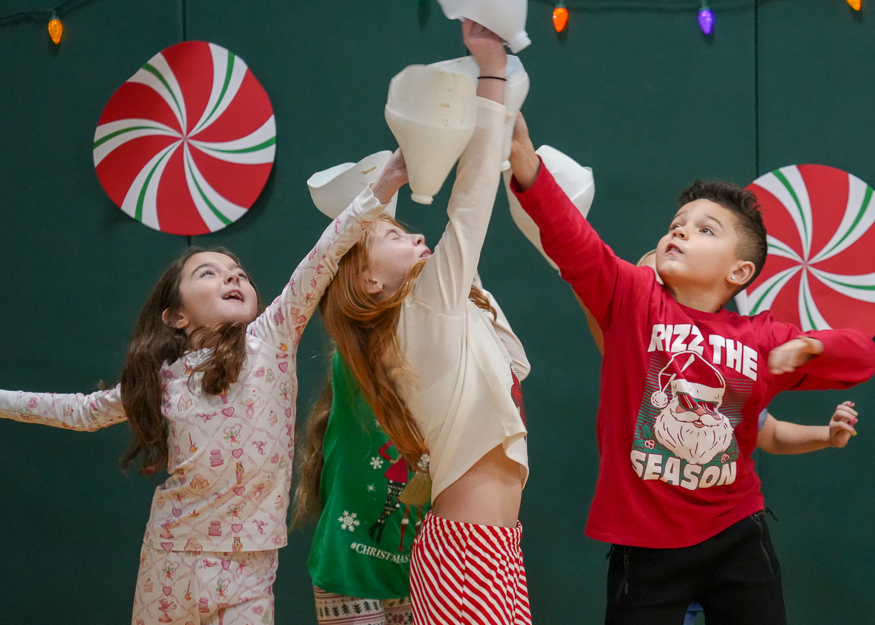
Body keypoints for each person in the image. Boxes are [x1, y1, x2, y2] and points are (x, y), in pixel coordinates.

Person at [508, 114, 875, 625]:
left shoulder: (763, 338)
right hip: (646, 548)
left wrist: (810, 345)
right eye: (676, 224)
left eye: (705, 229)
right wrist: (526, 164)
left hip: (738, 536)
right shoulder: (634, 299)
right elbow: (575, 242)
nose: (680, 230)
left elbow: (862, 355)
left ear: (739, 271)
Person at [0, 165, 403, 624]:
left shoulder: (273, 337)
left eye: (239, 274)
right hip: (172, 559)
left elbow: (326, 254)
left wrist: (383, 186)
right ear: (176, 316)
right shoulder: (163, 380)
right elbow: (82, 411)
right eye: (209, 273)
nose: (232, 278)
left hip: (252, 565)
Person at [319, 21, 532, 625]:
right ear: (367, 283)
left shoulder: (447, 310)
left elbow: (511, 365)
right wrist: (490, 68)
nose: (414, 232)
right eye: (390, 235)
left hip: (486, 549)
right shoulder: (422, 314)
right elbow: (470, 206)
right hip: (467, 553)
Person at [294, 351, 429, 625]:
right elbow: (356, 324)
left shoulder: (445, 390)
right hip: (348, 570)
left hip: (413, 575)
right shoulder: (354, 377)